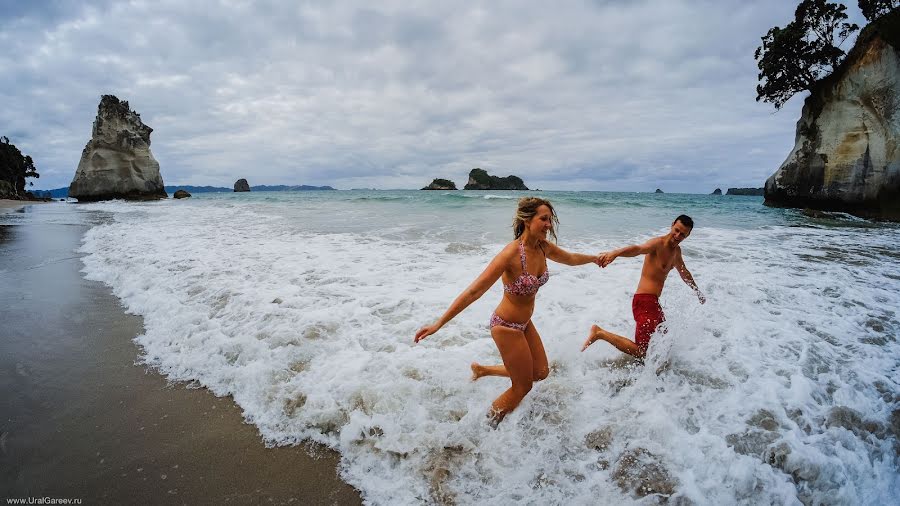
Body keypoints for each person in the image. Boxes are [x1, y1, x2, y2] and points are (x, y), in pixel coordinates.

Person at [414, 197, 600, 425]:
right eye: (543, 219)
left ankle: (483, 370)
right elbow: (474, 291)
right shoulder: (510, 254)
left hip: (525, 324)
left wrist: (596, 259)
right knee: (523, 386)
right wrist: (438, 324)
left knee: (541, 372)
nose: (549, 225)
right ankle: (483, 427)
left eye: (550, 220)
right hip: (506, 326)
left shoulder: (543, 248)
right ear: (526, 220)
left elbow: (570, 258)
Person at [582, 215, 704, 359]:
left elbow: (684, 272)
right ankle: (600, 333)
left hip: (654, 303)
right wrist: (615, 253)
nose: (677, 236)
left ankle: (651, 373)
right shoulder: (657, 244)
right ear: (672, 225)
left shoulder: (676, 252)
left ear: (688, 235)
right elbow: (638, 249)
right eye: (676, 230)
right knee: (643, 352)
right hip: (644, 301)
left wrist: (697, 290)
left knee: (664, 343)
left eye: (682, 234)